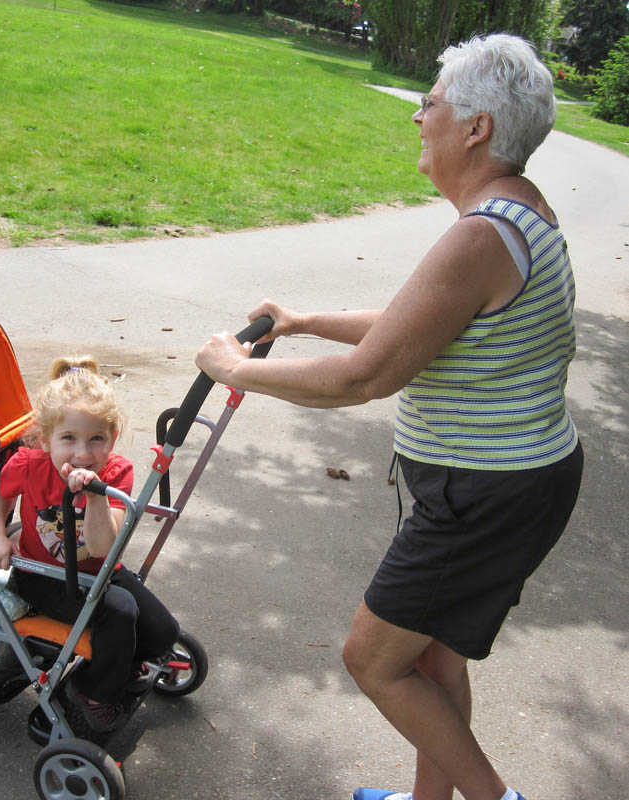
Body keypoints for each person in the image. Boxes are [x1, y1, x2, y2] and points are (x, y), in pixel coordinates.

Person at [195, 33, 583, 800]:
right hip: (507, 483)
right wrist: (302, 320)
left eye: (429, 101)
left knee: (373, 660)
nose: (416, 116)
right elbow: (421, 319)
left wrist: (234, 370)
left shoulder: (480, 233)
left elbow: (365, 376)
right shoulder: (518, 212)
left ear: (475, 129)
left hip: (483, 495)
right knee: (432, 662)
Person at [0, 356, 179, 733]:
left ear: (113, 439)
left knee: (163, 633)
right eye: (68, 439)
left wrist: (95, 496)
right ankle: (91, 690)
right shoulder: (28, 465)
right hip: (45, 577)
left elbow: (103, 547)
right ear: (45, 439)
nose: (83, 453)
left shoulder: (116, 473)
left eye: (96, 439)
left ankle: (117, 661)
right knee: (120, 613)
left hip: (98, 570)